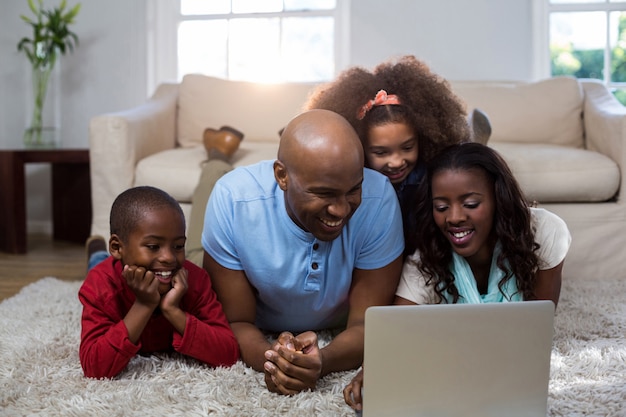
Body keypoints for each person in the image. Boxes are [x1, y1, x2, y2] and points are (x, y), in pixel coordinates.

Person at [343, 142, 572, 411]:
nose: (454, 217)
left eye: (471, 204)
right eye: (441, 207)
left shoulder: (543, 233)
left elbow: (536, 332)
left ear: (499, 198)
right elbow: (396, 333)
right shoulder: (425, 261)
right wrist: (371, 373)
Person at [202, 109, 405, 395]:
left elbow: (366, 323)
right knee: (190, 244)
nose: (341, 209)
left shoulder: (378, 196)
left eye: (353, 190)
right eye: (323, 193)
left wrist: (323, 361)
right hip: (235, 205)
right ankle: (217, 154)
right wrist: (273, 361)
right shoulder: (232, 199)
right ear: (281, 176)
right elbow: (236, 321)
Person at [304, 55, 485, 256]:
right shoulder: (355, 182)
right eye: (381, 152)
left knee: (458, 166)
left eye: (407, 148)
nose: (397, 162)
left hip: (418, 250)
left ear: (422, 138)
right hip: (377, 252)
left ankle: (471, 147)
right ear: (359, 147)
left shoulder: (428, 172)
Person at [78, 185, 239, 379]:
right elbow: (94, 368)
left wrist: (172, 310)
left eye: (178, 246)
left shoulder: (195, 280)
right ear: (117, 247)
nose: (169, 257)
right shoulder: (100, 285)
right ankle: (97, 250)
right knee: (97, 263)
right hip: (108, 266)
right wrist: (144, 304)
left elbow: (228, 354)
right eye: (154, 246)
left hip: (130, 265)